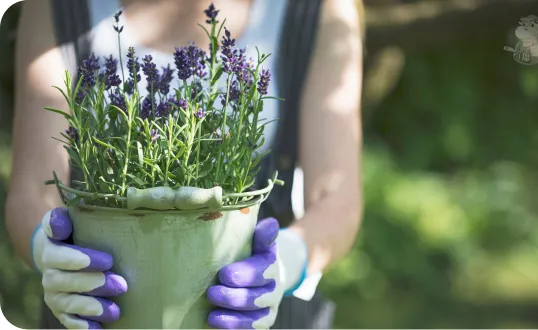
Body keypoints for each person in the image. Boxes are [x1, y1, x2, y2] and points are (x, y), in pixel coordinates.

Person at [5, 0, 364, 328]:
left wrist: (286, 263)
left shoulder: (319, 9)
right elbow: (32, 188)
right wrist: (49, 251)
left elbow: (337, 197)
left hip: (253, 315)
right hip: (95, 306)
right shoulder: (53, 7)